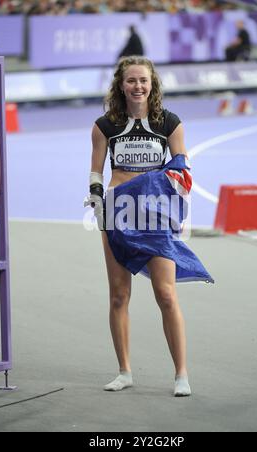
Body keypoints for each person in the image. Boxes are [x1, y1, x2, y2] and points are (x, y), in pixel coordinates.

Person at [84, 56, 213, 397]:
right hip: (118, 212)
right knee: (118, 296)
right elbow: (97, 171)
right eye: (131, 81)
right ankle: (124, 371)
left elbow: (182, 167)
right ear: (121, 85)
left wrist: (178, 178)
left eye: (143, 80)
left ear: (152, 83)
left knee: (166, 294)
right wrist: (96, 198)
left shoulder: (169, 123)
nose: (138, 86)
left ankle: (181, 374)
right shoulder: (104, 125)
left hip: (155, 214)